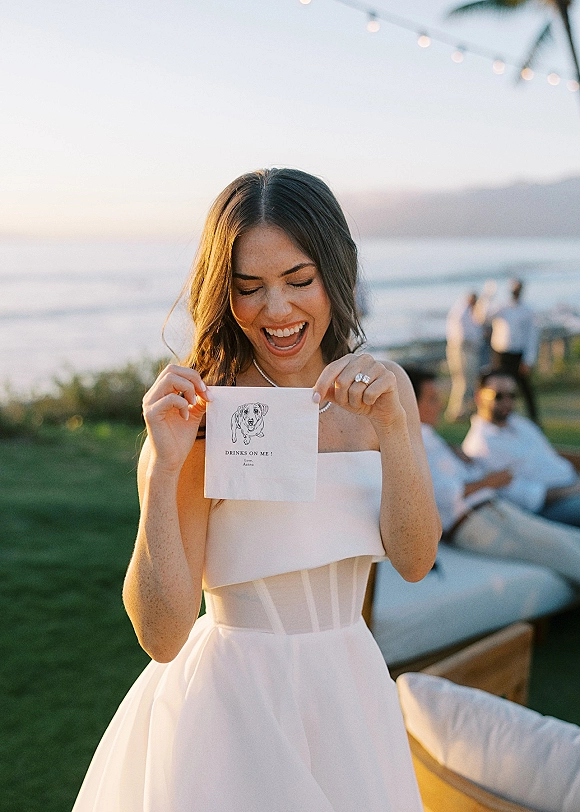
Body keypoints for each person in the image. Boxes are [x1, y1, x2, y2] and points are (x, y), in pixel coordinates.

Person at [72, 168, 440, 812]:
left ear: (337, 271)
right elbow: (161, 636)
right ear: (224, 292)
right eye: (250, 288)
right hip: (233, 709)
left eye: (299, 281)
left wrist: (396, 433)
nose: (277, 311)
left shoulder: (387, 391)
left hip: (350, 691)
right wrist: (161, 470)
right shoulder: (203, 414)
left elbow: (413, 560)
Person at [404, 366, 580, 584]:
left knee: (572, 540)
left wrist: (465, 463)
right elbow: (442, 496)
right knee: (564, 551)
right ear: (411, 403)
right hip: (473, 521)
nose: (440, 405)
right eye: (432, 399)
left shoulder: (432, 440)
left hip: (492, 509)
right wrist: (487, 481)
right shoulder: (413, 445)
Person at [463, 370, 580, 528]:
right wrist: (573, 489)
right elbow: (526, 497)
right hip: (549, 508)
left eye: (512, 395)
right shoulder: (480, 446)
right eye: (498, 396)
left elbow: (551, 456)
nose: (507, 402)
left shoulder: (520, 424)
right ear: (479, 397)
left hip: (573, 487)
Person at [488, 278, 540, 422]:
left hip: (518, 355)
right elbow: (481, 317)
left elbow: (532, 336)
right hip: (501, 354)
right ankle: (498, 417)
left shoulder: (527, 310)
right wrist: (488, 294)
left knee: (524, 389)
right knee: (498, 388)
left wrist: (528, 360)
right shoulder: (501, 307)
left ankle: (534, 420)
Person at [444, 291, 484, 422]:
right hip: (462, 350)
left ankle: (465, 409)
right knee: (461, 381)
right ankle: (456, 411)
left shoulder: (468, 312)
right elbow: (461, 336)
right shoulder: (460, 313)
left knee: (468, 381)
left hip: (467, 350)